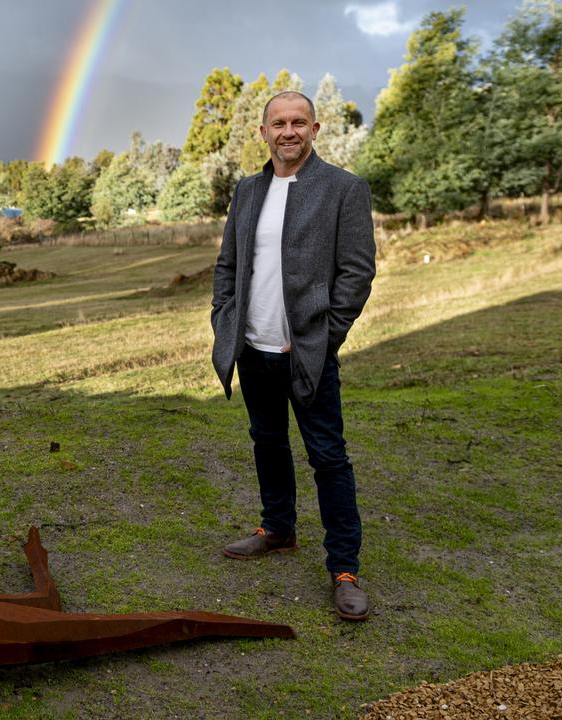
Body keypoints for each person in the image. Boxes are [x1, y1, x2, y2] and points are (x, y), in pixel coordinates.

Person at [210, 91, 377, 621]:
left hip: (307, 353)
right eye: (278, 123)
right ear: (263, 132)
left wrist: (328, 336)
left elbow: (357, 271)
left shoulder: (343, 189)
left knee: (328, 457)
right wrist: (224, 318)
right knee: (267, 441)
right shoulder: (247, 190)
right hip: (253, 347)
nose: (288, 131)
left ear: (315, 128)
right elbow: (227, 266)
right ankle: (277, 529)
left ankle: (344, 569)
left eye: (298, 122)